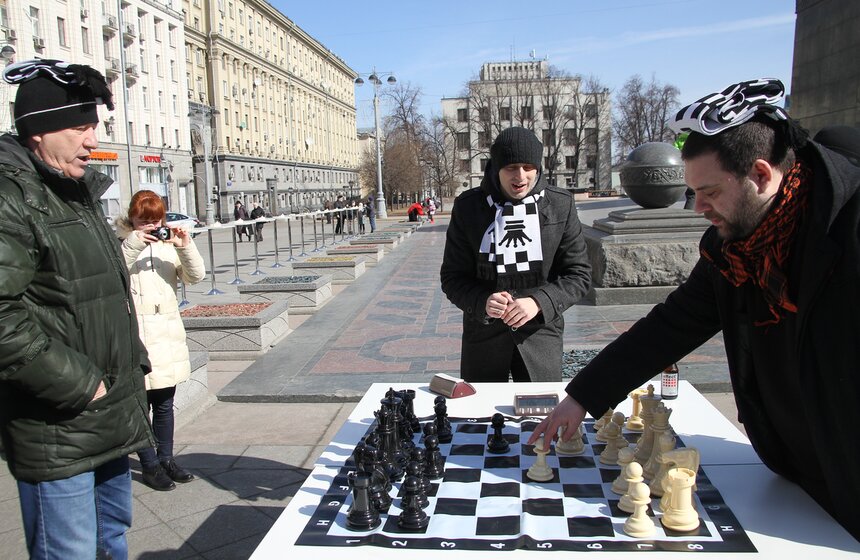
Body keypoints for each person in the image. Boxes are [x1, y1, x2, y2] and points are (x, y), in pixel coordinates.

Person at [528, 78, 860, 542]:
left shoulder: (846, 229)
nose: (698, 207)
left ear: (761, 175)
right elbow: (670, 326)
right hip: (794, 467)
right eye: (692, 192)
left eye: (709, 192)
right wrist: (582, 396)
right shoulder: (734, 248)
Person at [0, 59, 154, 559]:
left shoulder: (74, 191)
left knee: (111, 540)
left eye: (94, 127)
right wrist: (79, 383)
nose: (92, 141)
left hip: (107, 413)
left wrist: (130, 366)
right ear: (40, 131)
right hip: (60, 425)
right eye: (80, 127)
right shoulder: (12, 197)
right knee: (70, 553)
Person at [440, 126, 592, 383]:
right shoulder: (468, 207)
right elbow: (453, 277)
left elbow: (579, 275)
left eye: (527, 167)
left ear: (538, 168)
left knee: (541, 417)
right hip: (484, 341)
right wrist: (482, 301)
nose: (520, 176)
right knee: (481, 418)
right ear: (496, 168)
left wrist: (538, 302)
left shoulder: (560, 204)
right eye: (510, 167)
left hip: (540, 336)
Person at [116, 190, 206, 492]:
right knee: (141, 406)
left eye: (157, 221)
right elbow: (112, 273)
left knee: (165, 404)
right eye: (145, 222)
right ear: (132, 219)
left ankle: (166, 459)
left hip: (166, 331)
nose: (152, 227)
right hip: (137, 333)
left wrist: (185, 246)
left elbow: (196, 276)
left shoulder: (168, 246)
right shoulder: (121, 244)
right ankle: (150, 465)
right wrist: (134, 243)